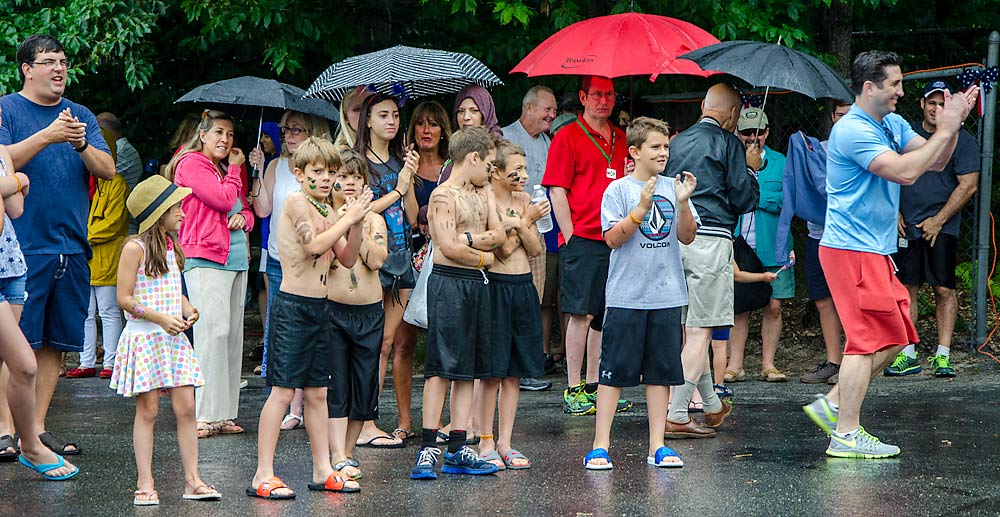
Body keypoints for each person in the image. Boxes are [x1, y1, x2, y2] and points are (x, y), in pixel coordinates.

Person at [802, 51, 977, 458]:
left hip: (874, 251)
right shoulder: (852, 130)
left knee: (899, 334)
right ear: (869, 88)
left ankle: (831, 405)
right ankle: (844, 433)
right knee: (863, 343)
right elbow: (906, 172)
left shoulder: (892, 123)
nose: (901, 91)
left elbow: (937, 162)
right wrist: (946, 128)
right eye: (894, 84)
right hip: (850, 251)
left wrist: (953, 127)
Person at [0, 34, 115, 457]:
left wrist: (81, 142)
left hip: (72, 245)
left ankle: (37, 427)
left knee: (55, 344)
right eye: (48, 61)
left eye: (63, 61)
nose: (59, 68)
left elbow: (107, 169)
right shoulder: (6, 108)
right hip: (23, 246)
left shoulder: (80, 114)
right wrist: (48, 135)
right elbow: (2, 158)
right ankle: (5, 430)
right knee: (14, 344)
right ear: (27, 69)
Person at [249, 138, 369, 500]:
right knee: (284, 390)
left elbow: (346, 258)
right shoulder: (296, 202)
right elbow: (313, 246)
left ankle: (322, 469)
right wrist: (347, 217)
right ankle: (262, 474)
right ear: (299, 173)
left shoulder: (329, 210)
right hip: (292, 307)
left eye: (332, 171)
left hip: (320, 307)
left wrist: (357, 222)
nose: (327, 178)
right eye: (318, 171)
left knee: (318, 392)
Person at [584, 117, 697, 470]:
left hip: (666, 295)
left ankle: (657, 446)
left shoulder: (673, 186)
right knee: (613, 373)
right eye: (655, 147)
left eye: (666, 146)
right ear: (634, 151)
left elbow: (688, 236)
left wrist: (681, 203)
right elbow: (612, 238)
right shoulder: (617, 190)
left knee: (661, 373)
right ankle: (600, 446)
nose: (663, 152)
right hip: (626, 296)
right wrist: (639, 211)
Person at [112, 175, 221, 505]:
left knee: (186, 408)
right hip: (146, 339)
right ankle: (145, 482)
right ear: (158, 212)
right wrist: (159, 318)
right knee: (148, 410)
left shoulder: (172, 247)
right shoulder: (135, 248)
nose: (183, 214)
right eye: (177, 209)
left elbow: (173, 291)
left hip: (173, 339)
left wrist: (188, 308)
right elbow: (124, 298)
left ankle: (193, 480)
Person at [662, 83, 759, 438]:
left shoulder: (674, 142)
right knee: (702, 330)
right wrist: (750, 169)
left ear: (703, 105)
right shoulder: (729, 143)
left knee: (691, 329)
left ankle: (712, 405)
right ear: (732, 115)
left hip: (676, 238)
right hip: (712, 239)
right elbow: (743, 199)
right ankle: (676, 414)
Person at [410, 126, 505, 480]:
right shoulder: (442, 195)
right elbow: (446, 248)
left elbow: (498, 235)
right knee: (441, 366)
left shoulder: (485, 193)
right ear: (473, 158)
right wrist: (482, 258)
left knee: (469, 368)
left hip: (477, 287)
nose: (492, 171)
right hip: (449, 285)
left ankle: (457, 447)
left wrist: (470, 240)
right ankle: (427, 447)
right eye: (490, 163)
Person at [542, 76, 632, 416]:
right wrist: (571, 235)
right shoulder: (567, 136)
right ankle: (573, 386)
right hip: (583, 237)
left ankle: (595, 385)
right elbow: (556, 190)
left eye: (609, 95)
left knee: (604, 314)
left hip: (616, 237)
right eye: (596, 94)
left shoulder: (622, 137)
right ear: (582, 97)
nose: (603, 101)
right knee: (580, 313)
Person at [0, 103, 78, 480]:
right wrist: (14, 181)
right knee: (24, 363)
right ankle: (28, 443)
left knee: (19, 362)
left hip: (10, 267)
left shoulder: (2, 153)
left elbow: (13, 209)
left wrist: (11, 184)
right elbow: (13, 190)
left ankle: (28, 440)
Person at [166, 110, 254, 439]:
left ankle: (224, 413)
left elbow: (243, 207)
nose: (225, 140)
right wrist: (235, 169)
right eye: (218, 132)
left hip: (236, 257)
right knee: (211, 333)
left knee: (231, 337)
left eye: (230, 134)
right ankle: (202, 413)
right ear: (202, 134)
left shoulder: (223, 168)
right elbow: (221, 198)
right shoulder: (190, 163)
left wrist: (243, 219)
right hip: (205, 256)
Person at [885, 80, 980, 378]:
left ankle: (942, 355)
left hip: (943, 227)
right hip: (905, 225)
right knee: (906, 289)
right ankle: (907, 353)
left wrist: (939, 219)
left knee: (943, 289)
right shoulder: (905, 132)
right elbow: (887, 171)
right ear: (922, 104)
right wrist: (894, 211)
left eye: (943, 104)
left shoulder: (962, 139)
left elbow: (969, 184)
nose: (936, 109)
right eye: (932, 102)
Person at [249, 111, 330, 429]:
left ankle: (300, 405)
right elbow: (263, 208)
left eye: (296, 130)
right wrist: (256, 172)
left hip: (312, 261)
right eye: (285, 131)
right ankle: (288, 402)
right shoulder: (276, 165)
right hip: (278, 257)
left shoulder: (321, 171)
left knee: (307, 335)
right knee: (282, 331)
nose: (288, 135)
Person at [477, 141, 551, 470]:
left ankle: (506, 441)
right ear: (496, 171)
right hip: (496, 286)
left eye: (524, 168)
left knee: (514, 374)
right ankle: (485, 440)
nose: (523, 175)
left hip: (522, 286)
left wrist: (521, 222)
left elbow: (534, 248)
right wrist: (526, 220)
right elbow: (502, 250)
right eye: (516, 169)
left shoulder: (523, 201)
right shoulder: (487, 200)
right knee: (493, 371)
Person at [354, 93, 420, 449]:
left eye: (395, 115)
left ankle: (369, 418)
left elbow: (410, 216)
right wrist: (397, 187)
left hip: (401, 256)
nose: (391, 121)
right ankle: (363, 420)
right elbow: (362, 209)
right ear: (367, 120)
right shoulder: (358, 161)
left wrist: (407, 177)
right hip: (371, 256)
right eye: (383, 115)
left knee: (388, 342)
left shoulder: (398, 160)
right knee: (372, 341)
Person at [326, 149, 388, 484]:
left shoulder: (374, 219)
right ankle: (337, 454)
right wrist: (344, 221)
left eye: (356, 177)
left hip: (369, 311)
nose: (349, 183)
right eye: (343, 177)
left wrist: (358, 223)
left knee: (364, 386)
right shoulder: (327, 216)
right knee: (337, 385)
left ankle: (346, 451)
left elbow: (377, 260)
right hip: (334, 310)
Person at [391, 100, 451, 442]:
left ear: (443, 130)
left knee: (443, 344)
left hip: (442, 258)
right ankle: (404, 419)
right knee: (403, 342)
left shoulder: (452, 166)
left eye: (433, 124)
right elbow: (413, 218)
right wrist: (408, 175)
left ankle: (439, 420)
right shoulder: (404, 166)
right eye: (420, 124)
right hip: (410, 256)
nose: (426, 130)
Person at [783, 101, 851, 385]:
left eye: (849, 115)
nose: (842, 120)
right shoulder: (816, 150)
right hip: (817, 236)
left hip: (848, 238)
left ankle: (852, 364)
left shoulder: (864, 150)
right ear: (832, 117)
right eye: (838, 115)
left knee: (848, 301)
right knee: (823, 300)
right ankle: (834, 362)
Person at [725, 107, 793, 383]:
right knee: (740, 307)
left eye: (759, 132)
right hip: (741, 246)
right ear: (737, 133)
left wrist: (753, 193)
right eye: (746, 133)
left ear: (767, 132)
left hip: (774, 245)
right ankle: (735, 364)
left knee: (774, 306)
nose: (753, 138)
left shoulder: (782, 161)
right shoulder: (729, 161)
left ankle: (768, 364)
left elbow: (787, 202)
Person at [502, 85, 558, 392]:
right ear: (528, 109)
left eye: (553, 110)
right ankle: (514, 368)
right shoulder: (506, 138)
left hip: (538, 228)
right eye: (546, 109)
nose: (552, 115)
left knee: (533, 300)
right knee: (515, 302)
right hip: (510, 228)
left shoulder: (548, 142)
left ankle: (526, 367)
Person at [70, 119, 131, 379]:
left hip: (106, 257)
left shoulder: (117, 183)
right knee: (85, 312)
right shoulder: (84, 180)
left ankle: (110, 362)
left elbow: (112, 224)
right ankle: (86, 362)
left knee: (108, 310)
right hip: (87, 257)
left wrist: (80, 236)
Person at [248, 121, 281, 376]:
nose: (265, 141)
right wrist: (257, 170)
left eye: (268, 137)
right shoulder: (269, 165)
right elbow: (262, 206)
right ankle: (270, 358)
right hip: (269, 238)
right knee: (269, 298)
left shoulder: (282, 163)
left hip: (281, 243)